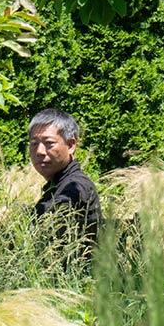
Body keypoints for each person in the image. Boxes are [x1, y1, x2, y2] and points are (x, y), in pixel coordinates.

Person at [28, 108, 101, 254]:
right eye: (34, 143)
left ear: (71, 145)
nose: (40, 151)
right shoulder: (59, 183)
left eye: (49, 143)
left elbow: (49, 215)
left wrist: (11, 214)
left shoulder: (76, 187)